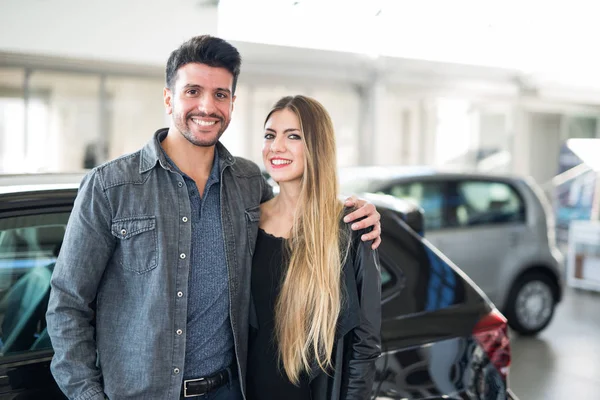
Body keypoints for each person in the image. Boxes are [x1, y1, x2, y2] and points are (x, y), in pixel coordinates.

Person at [46, 35, 381, 400]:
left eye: (220, 94)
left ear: (232, 104)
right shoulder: (110, 187)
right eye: (193, 91)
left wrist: (353, 211)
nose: (207, 106)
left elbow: (300, 217)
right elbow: (67, 306)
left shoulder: (248, 184)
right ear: (168, 97)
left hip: (231, 390)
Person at [246, 95, 381, 400]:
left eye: (292, 136)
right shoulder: (248, 223)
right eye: (270, 135)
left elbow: (365, 343)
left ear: (317, 146)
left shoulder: (350, 227)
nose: (276, 146)